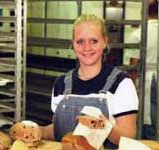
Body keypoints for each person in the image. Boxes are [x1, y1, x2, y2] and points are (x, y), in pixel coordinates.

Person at [40, 13, 139, 149]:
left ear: (105, 42)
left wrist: (104, 127)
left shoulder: (121, 83)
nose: (87, 48)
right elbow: (58, 129)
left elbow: (128, 137)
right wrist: (39, 131)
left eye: (94, 41)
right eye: (80, 41)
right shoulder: (61, 83)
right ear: (73, 44)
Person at [124, 0, 158, 138]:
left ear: (144, 12)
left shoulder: (139, 34)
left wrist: (128, 89)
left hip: (147, 80)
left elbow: (133, 65)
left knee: (148, 118)